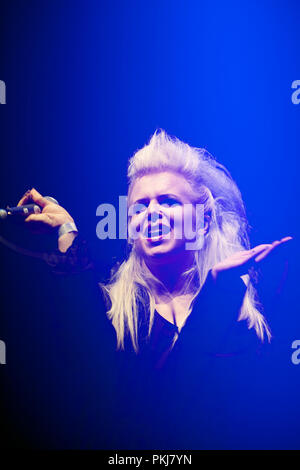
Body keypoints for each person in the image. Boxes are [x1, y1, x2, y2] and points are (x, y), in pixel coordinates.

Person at [15, 130, 292, 449]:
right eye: (139, 206)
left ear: (202, 221)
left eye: (169, 201)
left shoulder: (248, 314)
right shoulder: (109, 311)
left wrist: (222, 295)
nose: (151, 213)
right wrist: (66, 233)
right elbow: (142, 414)